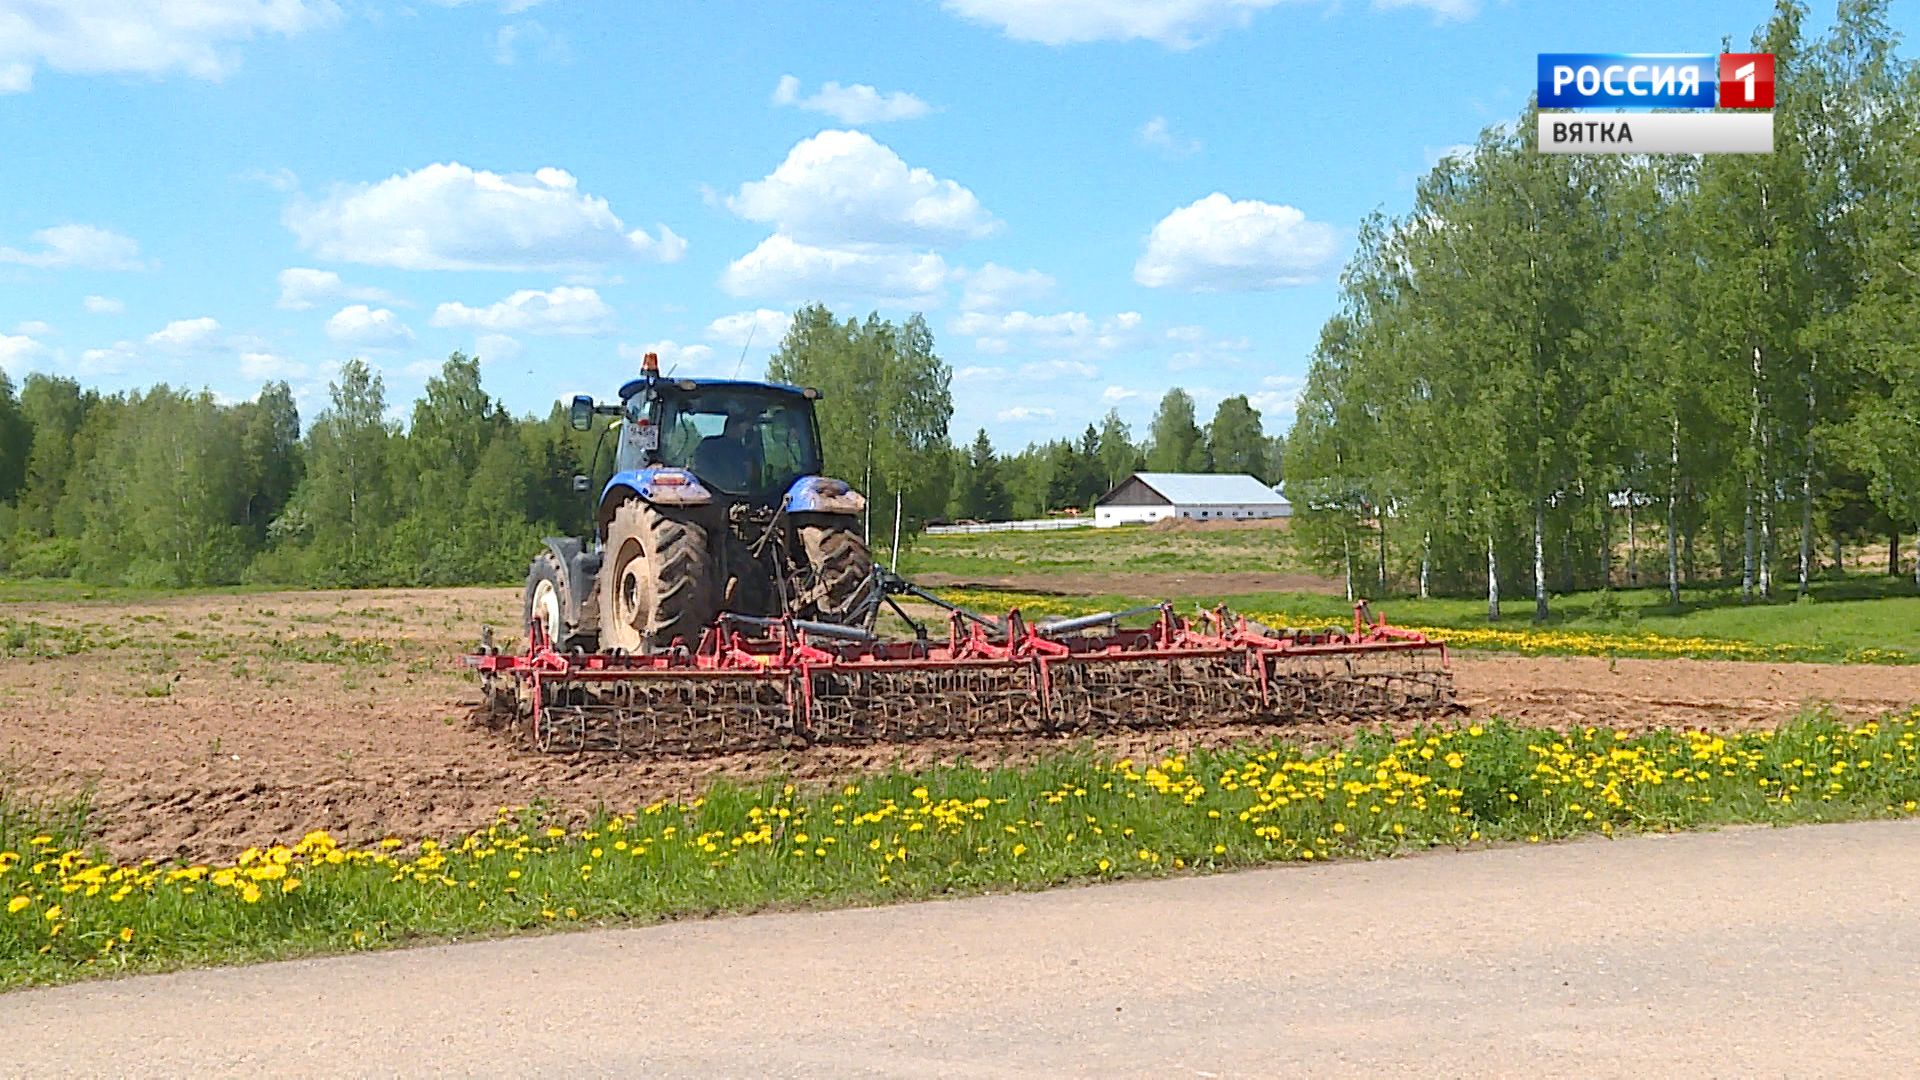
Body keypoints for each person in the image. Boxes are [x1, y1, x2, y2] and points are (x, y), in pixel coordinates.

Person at [692, 409, 757, 492]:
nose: (746, 434)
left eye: (749, 431)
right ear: (732, 427)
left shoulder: (745, 451)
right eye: (746, 430)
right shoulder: (710, 447)